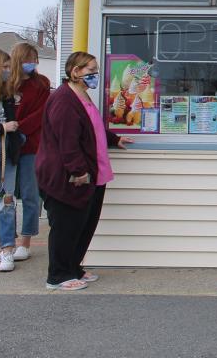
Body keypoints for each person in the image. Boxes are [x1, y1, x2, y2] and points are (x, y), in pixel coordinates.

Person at [37, 52, 132, 291]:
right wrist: (78, 171)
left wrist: (114, 138)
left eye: (95, 69)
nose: (95, 74)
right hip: (69, 178)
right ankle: (57, 275)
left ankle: (73, 267)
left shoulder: (82, 97)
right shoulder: (64, 100)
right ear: (75, 72)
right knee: (66, 226)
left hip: (94, 173)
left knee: (83, 224)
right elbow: (67, 141)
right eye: (90, 70)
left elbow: (93, 127)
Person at [7, 43, 50, 264]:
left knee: (29, 194)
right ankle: (8, 243)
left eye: (35, 59)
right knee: (6, 197)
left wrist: (18, 128)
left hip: (31, 145)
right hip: (6, 147)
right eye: (29, 59)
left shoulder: (41, 84)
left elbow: (41, 113)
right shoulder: (4, 84)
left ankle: (25, 241)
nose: (33, 63)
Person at [0, 49, 24, 272]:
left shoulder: (8, 94)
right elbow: (5, 124)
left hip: (7, 150)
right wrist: (2, 127)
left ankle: (7, 250)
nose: (8, 71)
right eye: (4, 67)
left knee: (6, 201)